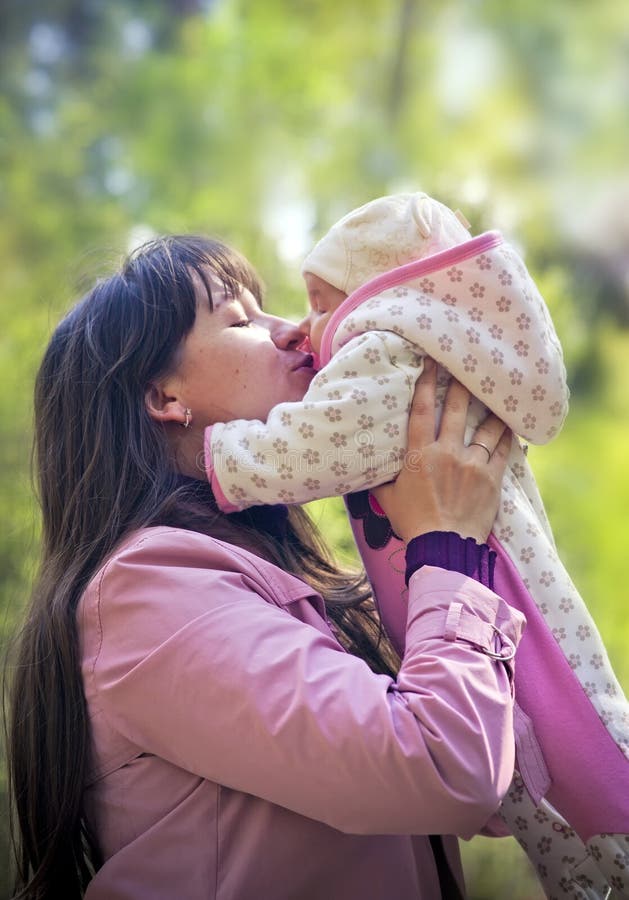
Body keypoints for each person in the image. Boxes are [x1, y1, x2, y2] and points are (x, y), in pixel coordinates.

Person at [6, 234, 527, 900]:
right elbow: (440, 767)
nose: (297, 333)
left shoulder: (262, 571)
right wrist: (444, 545)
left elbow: (497, 791)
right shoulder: (147, 591)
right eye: (242, 320)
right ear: (163, 394)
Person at [202, 194, 629, 899]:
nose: (302, 331)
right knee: (533, 779)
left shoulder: (388, 351)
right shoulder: (408, 351)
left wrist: (223, 454)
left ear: (379, 290)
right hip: (467, 607)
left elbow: (317, 447)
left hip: (492, 596)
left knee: (582, 748)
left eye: (318, 303)